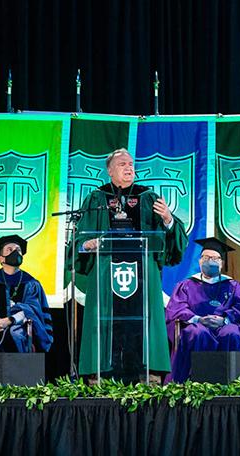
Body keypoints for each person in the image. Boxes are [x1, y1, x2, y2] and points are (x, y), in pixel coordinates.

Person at [72, 148, 187, 381]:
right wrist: (87, 244)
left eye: (131, 164)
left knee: (144, 321)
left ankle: (149, 374)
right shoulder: (96, 199)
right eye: (123, 164)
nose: (129, 168)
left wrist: (168, 219)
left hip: (143, 274)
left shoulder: (149, 198)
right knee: (105, 321)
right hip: (105, 275)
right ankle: (100, 374)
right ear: (110, 171)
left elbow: (173, 243)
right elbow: (79, 241)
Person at [165, 237, 240, 383]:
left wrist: (225, 320)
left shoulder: (234, 286)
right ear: (199, 261)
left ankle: (232, 382)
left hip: (225, 325)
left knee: (232, 332)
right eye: (206, 257)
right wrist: (198, 319)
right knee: (197, 332)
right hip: (196, 324)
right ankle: (194, 381)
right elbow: (177, 308)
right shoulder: (186, 285)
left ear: (221, 263)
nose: (210, 261)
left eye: (215, 258)